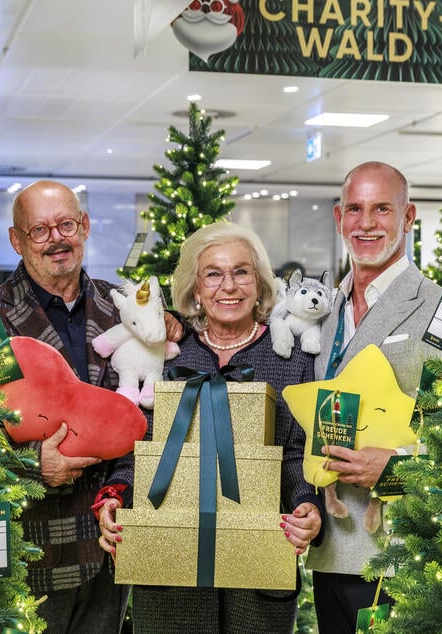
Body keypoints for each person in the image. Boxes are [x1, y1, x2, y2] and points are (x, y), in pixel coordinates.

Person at [94, 221, 324, 633]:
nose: (228, 286)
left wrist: (306, 503)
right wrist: (116, 495)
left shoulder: (292, 360)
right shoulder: (163, 356)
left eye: (241, 272)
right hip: (168, 571)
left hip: (258, 570)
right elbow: (138, 446)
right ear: (195, 290)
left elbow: (295, 454)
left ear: (259, 283)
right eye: (213, 274)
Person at [0, 180, 149, 633]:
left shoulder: (122, 309)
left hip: (114, 545)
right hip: (30, 551)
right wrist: (34, 467)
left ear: (84, 227)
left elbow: (146, 413)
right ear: (16, 240)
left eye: (66, 224)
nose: (57, 238)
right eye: (40, 230)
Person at [305, 161, 442, 632]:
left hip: (399, 551)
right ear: (339, 217)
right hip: (329, 548)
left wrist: (399, 469)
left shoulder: (440, 308)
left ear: (409, 217)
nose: (367, 224)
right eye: (356, 210)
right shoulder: (320, 311)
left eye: (382, 209)